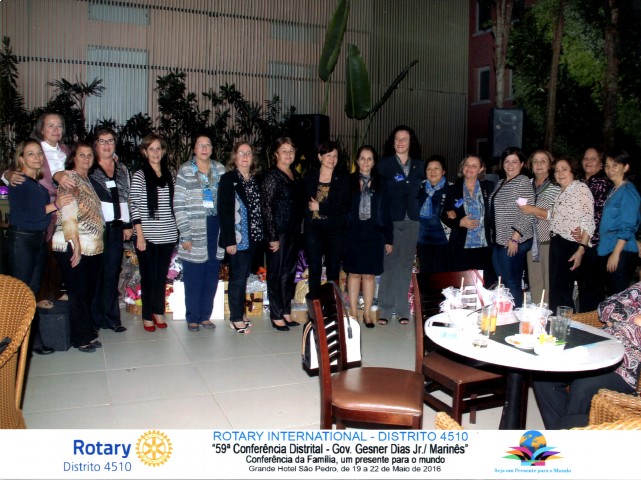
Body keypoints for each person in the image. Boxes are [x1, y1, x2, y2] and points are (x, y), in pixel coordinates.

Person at [533, 282, 641, 429]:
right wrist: (634, 319)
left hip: (624, 368)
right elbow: (605, 307)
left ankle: (566, 433)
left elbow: (632, 333)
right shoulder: (638, 289)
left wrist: (617, 320)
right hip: (597, 349)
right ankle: (561, 431)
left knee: (583, 386)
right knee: (543, 376)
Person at [7, 140, 73, 355]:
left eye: (38, 154)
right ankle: (14, 344)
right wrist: (56, 204)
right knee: (21, 294)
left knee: (32, 292)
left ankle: (31, 342)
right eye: (30, 154)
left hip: (37, 239)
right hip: (22, 240)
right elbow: (32, 213)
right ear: (21, 158)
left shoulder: (35, 183)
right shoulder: (18, 181)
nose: (36, 157)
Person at [2, 112, 76, 304]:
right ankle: (34, 303)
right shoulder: (33, 153)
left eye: (59, 125)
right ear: (41, 129)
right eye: (50, 125)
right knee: (22, 284)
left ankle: (50, 293)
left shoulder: (66, 151)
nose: (56, 129)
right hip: (33, 222)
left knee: (55, 257)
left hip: (56, 216)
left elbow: (83, 163)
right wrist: (8, 174)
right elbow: (13, 174)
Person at [51, 143, 104, 353]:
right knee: (78, 292)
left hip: (91, 246)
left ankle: (86, 333)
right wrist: (75, 244)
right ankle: (80, 338)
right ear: (73, 158)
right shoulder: (69, 178)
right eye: (82, 155)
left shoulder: (86, 179)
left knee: (86, 292)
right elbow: (68, 211)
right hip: (73, 244)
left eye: (90, 155)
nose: (86, 158)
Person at [174, 135, 225, 332]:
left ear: (212, 149)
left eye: (208, 145)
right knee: (194, 276)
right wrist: (185, 234)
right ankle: (193, 317)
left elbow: (227, 201)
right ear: (194, 149)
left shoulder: (220, 169)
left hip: (216, 228)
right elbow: (178, 204)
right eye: (200, 145)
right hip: (194, 229)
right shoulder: (186, 170)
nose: (204, 148)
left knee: (211, 275)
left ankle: (205, 316)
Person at [376, 125, 425, 325]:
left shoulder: (420, 166)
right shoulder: (384, 165)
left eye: (404, 138)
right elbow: (381, 196)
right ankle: (385, 309)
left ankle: (403, 309)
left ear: (411, 142)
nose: (401, 142)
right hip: (392, 220)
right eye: (397, 138)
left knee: (405, 266)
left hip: (412, 221)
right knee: (389, 265)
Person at [129, 134, 178, 333]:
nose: (156, 152)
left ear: (163, 151)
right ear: (144, 152)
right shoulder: (140, 175)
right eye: (151, 149)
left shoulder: (170, 174)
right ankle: (147, 315)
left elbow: (173, 204)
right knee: (148, 276)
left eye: (159, 148)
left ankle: (159, 311)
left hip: (168, 233)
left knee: (161, 276)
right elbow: (134, 206)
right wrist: (139, 235)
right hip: (147, 236)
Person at [343, 145, 392, 328]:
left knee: (369, 276)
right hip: (352, 233)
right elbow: (342, 207)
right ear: (357, 161)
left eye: (369, 158)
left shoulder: (382, 183)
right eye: (362, 158)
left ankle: (367, 313)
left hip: (375, 234)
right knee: (354, 274)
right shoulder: (348, 181)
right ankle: (353, 313)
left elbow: (386, 212)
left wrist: (389, 238)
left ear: (374, 162)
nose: (365, 162)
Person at [89, 127, 132, 333]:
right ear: (95, 145)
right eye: (102, 141)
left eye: (110, 141)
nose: (106, 145)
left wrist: (127, 224)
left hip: (116, 228)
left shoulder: (122, 169)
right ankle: (94, 319)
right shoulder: (89, 167)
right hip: (95, 228)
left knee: (112, 272)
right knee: (96, 273)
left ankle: (112, 318)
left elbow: (126, 198)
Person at [261, 137, 305, 332]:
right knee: (277, 273)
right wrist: (272, 236)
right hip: (278, 233)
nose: (288, 154)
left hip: (293, 232)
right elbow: (266, 208)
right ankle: (276, 314)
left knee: (289, 273)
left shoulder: (295, 174)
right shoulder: (272, 176)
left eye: (291, 151)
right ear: (276, 154)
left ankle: (286, 310)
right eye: (284, 151)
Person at [218, 142, 263, 333]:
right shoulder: (228, 179)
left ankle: (240, 312)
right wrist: (229, 240)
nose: (245, 157)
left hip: (254, 237)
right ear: (234, 157)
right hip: (237, 238)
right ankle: (235, 318)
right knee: (237, 277)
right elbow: (224, 211)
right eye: (241, 153)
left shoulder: (255, 180)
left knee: (244, 276)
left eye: (248, 153)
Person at [546, 158, 594, 312]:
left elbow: (588, 221)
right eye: (556, 170)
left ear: (572, 171)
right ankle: (557, 323)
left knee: (563, 292)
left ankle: (566, 324)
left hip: (570, 245)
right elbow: (558, 217)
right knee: (556, 290)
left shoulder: (580, 188)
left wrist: (580, 249)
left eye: (564, 169)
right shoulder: (560, 192)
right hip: (557, 243)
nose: (560, 173)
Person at [303, 140, 350, 298]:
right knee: (314, 269)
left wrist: (320, 207)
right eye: (328, 155)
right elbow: (302, 203)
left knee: (333, 270)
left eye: (335, 156)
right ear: (319, 156)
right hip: (313, 230)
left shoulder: (343, 178)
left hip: (334, 230)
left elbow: (345, 206)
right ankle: (314, 306)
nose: (332, 159)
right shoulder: (309, 178)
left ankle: (332, 305)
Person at [488, 147, 534, 307]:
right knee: (504, 282)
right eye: (507, 161)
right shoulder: (501, 182)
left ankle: (516, 315)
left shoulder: (522, 182)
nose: (510, 165)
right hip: (499, 240)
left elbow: (526, 212)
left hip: (512, 241)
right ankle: (507, 313)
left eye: (514, 161)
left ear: (522, 164)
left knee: (512, 282)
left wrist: (515, 238)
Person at [441, 154, 495, 283]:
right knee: (460, 285)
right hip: (460, 247)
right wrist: (459, 222)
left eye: (474, 166)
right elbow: (444, 215)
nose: (469, 168)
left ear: (481, 169)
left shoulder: (489, 187)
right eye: (467, 165)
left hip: (484, 247)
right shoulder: (453, 189)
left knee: (483, 285)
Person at [517, 150, 560, 305]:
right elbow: (519, 208)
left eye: (543, 161)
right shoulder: (526, 184)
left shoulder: (557, 186)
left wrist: (535, 211)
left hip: (549, 240)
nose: (539, 164)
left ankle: (549, 314)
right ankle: (536, 312)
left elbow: (559, 216)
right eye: (535, 161)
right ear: (530, 165)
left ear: (550, 165)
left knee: (549, 282)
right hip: (530, 240)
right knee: (535, 281)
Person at [597, 149, 641, 295]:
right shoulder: (614, 190)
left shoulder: (628, 190)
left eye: (615, 165)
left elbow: (628, 224)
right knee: (611, 295)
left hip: (621, 251)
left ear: (626, 167)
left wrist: (616, 253)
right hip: (607, 248)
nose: (610, 169)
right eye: (607, 165)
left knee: (618, 296)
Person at [576, 147, 612, 312]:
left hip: (594, 243)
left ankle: (590, 322)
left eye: (593, 158)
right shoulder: (579, 181)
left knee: (592, 287)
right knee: (582, 286)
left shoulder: (602, 183)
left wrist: (583, 234)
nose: (588, 161)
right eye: (586, 158)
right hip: (578, 241)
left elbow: (596, 215)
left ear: (600, 164)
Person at [416, 155, 449, 274]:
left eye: (436, 168)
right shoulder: (418, 188)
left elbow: (459, 207)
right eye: (429, 169)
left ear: (443, 171)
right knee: (424, 277)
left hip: (444, 242)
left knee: (441, 278)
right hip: (422, 241)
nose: (432, 172)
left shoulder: (451, 188)